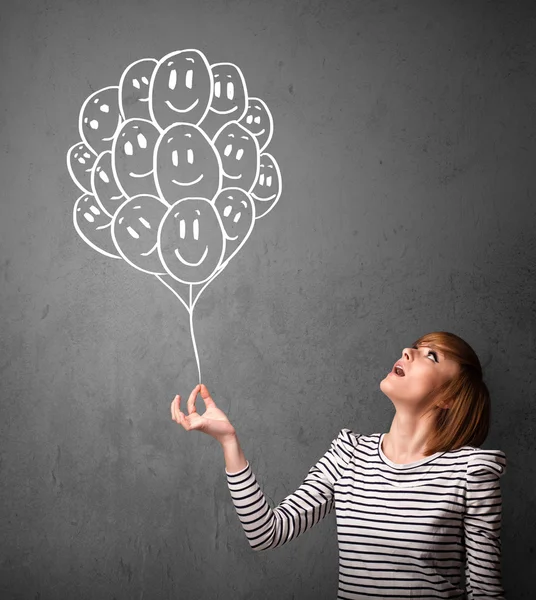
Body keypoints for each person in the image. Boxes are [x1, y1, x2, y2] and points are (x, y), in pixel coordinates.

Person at [170, 331, 506, 599]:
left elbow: (484, 592)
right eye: (415, 346)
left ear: (449, 397)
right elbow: (266, 533)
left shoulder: (470, 473)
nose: (407, 351)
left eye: (430, 355)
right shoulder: (348, 454)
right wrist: (229, 442)